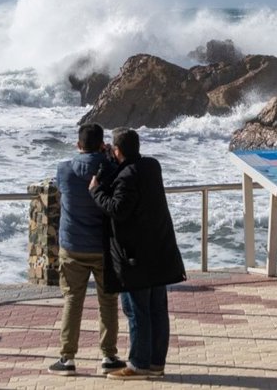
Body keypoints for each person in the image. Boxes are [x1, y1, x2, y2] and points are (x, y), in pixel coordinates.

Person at [89, 127, 186, 380]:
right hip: (159, 251)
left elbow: (118, 209)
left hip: (136, 257)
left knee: (136, 310)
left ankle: (138, 365)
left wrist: (96, 190)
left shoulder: (126, 176)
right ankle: (155, 364)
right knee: (157, 309)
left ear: (117, 150)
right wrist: (115, 161)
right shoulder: (152, 166)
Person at [47, 123, 126, 376]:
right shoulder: (111, 169)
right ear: (102, 144)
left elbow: (60, 188)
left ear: (78, 145)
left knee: (72, 300)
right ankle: (109, 356)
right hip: (103, 247)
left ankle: (67, 358)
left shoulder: (65, 169)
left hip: (72, 246)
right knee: (108, 301)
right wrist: (106, 157)